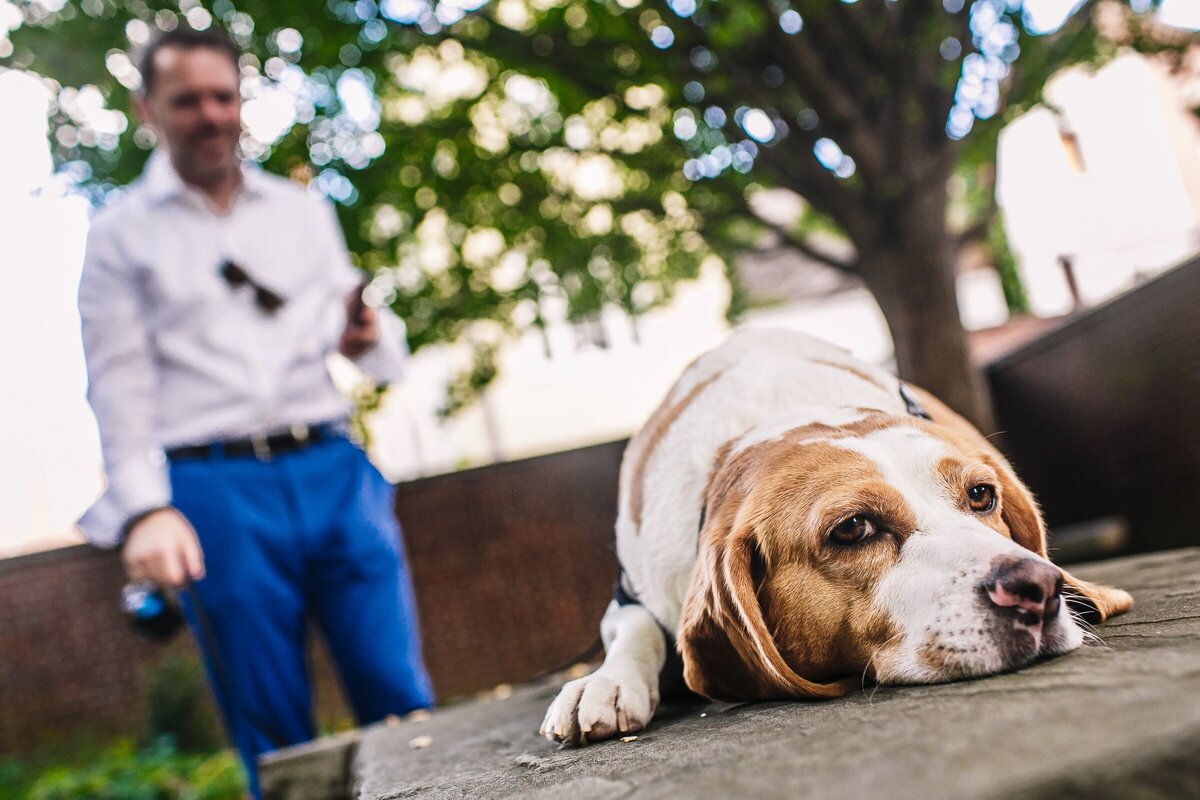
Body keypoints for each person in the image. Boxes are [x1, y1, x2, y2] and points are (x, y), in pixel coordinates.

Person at [77, 26, 433, 797]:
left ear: (241, 100)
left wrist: (366, 334)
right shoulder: (119, 236)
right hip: (215, 492)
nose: (210, 115)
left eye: (223, 96)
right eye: (186, 101)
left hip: (334, 468)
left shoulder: (300, 210)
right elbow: (117, 384)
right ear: (147, 109)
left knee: (400, 695)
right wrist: (145, 511)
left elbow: (379, 357)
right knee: (274, 731)